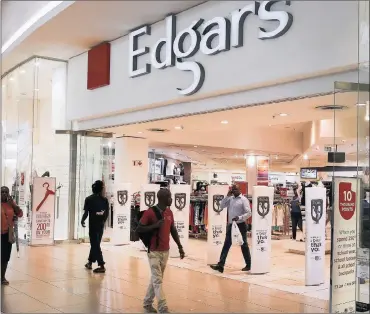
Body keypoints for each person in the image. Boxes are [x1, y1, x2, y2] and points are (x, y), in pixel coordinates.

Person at [137, 188, 185, 313]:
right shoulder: (150, 213)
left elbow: (173, 230)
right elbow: (139, 229)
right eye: (169, 197)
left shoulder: (169, 212)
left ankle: (147, 303)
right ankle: (163, 307)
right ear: (162, 198)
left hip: (165, 251)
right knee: (157, 279)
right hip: (154, 251)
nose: (171, 199)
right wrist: (155, 225)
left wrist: (180, 246)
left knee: (156, 279)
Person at [210, 184, 251, 273]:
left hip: (240, 225)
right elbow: (221, 206)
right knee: (226, 244)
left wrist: (239, 217)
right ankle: (220, 265)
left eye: (235, 190)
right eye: (232, 190)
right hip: (231, 225)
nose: (234, 191)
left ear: (240, 190)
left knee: (243, 244)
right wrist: (227, 195)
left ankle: (249, 264)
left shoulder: (244, 200)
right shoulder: (230, 199)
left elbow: (249, 213)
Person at [81, 180, 109, 273]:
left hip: (93, 225)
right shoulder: (105, 200)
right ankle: (89, 262)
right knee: (96, 244)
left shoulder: (89, 199)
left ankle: (101, 265)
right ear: (101, 189)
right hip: (100, 225)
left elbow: (86, 213)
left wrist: (82, 220)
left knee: (95, 244)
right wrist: (103, 221)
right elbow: (106, 213)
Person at [1, 186, 23, 285]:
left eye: (6, 192)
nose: (4, 193)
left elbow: (20, 214)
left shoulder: (11, 204)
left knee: (5, 257)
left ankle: (2, 277)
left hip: (7, 234)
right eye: (2, 192)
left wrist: (13, 206)